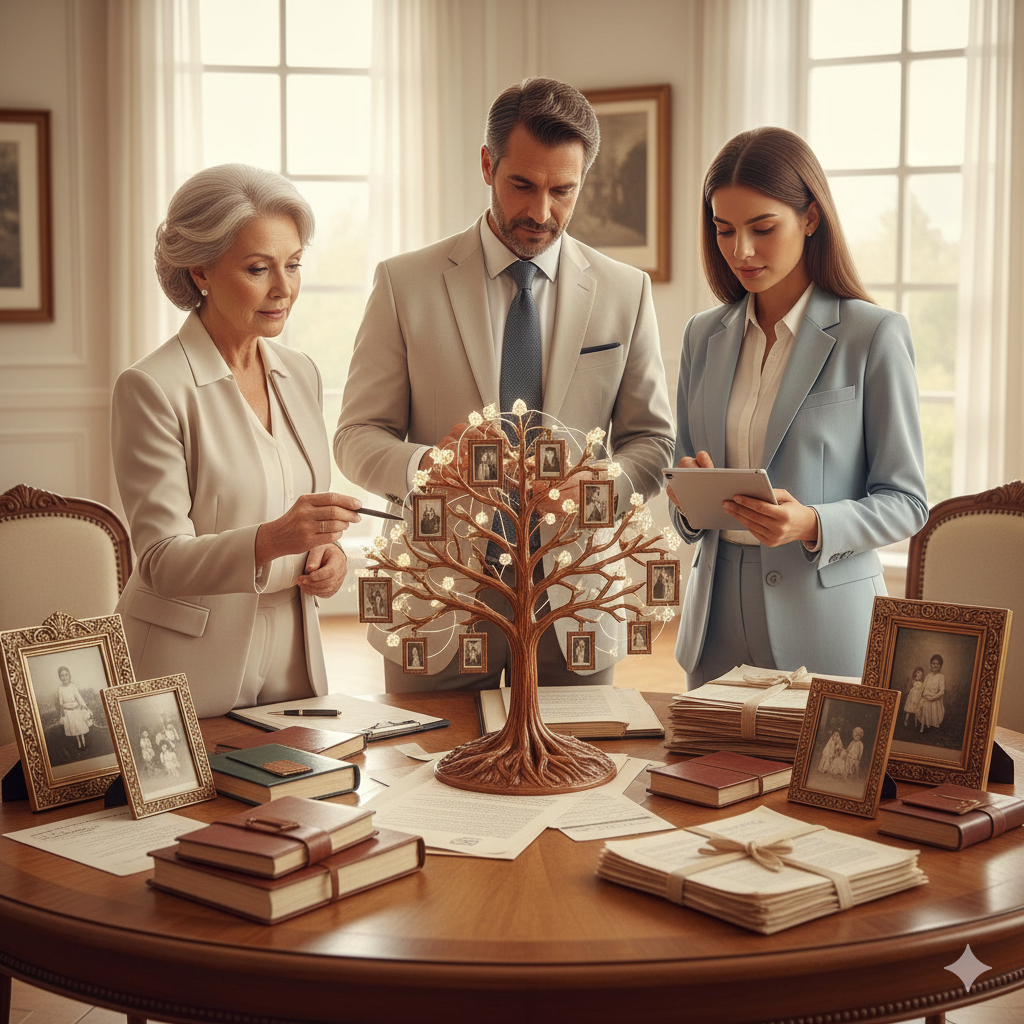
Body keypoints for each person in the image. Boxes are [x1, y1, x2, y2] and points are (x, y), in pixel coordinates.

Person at [335, 77, 674, 692]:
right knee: (422, 778)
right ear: (487, 165)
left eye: (561, 191)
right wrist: (435, 467)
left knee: (578, 785)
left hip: (576, 603)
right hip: (434, 605)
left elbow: (653, 443)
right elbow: (356, 436)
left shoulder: (628, 292)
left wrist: (590, 487)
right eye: (522, 185)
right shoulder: (403, 283)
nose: (540, 213)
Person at [670, 128, 928, 688]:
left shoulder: (874, 335)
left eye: (763, 228)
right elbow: (684, 483)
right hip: (714, 632)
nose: (741, 250)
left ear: (811, 217)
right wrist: (689, 502)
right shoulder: (701, 336)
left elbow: (907, 502)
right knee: (700, 776)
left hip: (826, 631)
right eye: (724, 229)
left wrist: (812, 522)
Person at [111, 164, 362, 718]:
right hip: (183, 674)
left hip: (293, 673)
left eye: (294, 265)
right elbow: (158, 560)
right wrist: (272, 539)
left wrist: (329, 555)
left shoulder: (302, 374)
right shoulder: (151, 387)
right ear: (200, 269)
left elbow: (298, 512)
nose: (284, 288)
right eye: (258, 268)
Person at [55, 667, 91, 750]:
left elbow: (79, 698)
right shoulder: (60, 689)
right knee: (73, 728)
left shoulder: (72, 687)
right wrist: (62, 709)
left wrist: (84, 706)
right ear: (60, 678)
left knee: (79, 727)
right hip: (68, 712)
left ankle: (84, 743)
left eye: (66, 675)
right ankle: (78, 743)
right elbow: (61, 701)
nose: (64, 677)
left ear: (69, 676)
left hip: (76, 710)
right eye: (62, 675)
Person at [919, 654, 946, 730]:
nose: (935, 665)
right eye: (934, 663)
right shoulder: (928, 676)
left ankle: (933, 726)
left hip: (935, 700)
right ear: (931, 665)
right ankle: (925, 724)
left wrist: (933, 698)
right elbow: (923, 688)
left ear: (940, 666)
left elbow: (942, 692)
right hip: (926, 698)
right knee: (923, 707)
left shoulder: (941, 677)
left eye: (938, 664)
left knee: (934, 717)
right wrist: (924, 695)